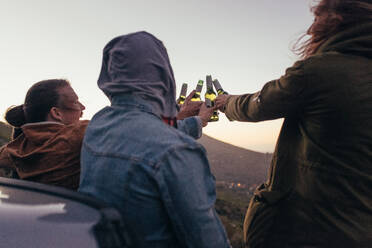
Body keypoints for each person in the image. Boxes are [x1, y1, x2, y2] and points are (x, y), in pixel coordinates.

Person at [215, 0, 372, 247]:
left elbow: (257, 106)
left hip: (303, 230)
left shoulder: (321, 71)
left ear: (336, 19)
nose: (310, 30)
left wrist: (225, 102)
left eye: (317, 18)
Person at [78, 31, 231, 248]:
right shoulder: (178, 150)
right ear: (164, 75)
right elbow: (208, 241)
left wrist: (195, 120)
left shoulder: (99, 123)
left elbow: (141, 133)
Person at [0, 79, 87, 190]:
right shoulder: (81, 133)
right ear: (56, 113)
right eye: (75, 102)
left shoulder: (14, 149)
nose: (83, 107)